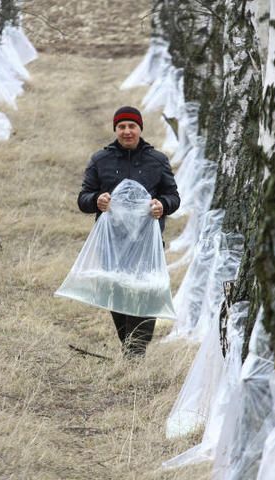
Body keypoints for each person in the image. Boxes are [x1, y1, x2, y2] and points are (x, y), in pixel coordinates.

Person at [77, 106, 180, 357]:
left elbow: (173, 197)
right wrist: (96, 201)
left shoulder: (157, 160)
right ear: (116, 130)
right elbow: (83, 198)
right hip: (112, 245)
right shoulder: (100, 160)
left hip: (147, 244)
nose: (126, 131)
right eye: (121, 126)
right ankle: (129, 346)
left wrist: (162, 205)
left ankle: (135, 352)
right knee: (119, 296)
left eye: (131, 126)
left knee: (146, 294)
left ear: (139, 129)